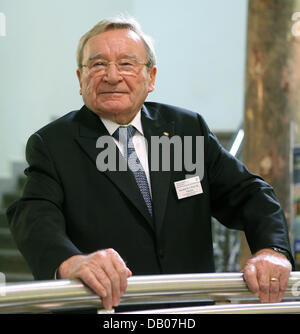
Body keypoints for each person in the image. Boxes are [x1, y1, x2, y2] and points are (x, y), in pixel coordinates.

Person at [7, 16, 293, 311]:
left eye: (127, 64)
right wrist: (71, 262)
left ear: (151, 77)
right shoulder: (55, 145)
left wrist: (272, 250)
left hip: (189, 310)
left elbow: (250, 193)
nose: (112, 76)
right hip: (111, 312)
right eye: (98, 64)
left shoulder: (185, 129)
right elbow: (34, 214)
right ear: (80, 79)